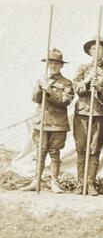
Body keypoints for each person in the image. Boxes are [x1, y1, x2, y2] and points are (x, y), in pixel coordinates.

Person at [22, 48, 74, 193]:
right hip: (41, 121)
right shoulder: (42, 80)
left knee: (54, 153)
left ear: (61, 65)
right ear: (47, 64)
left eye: (57, 63)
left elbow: (65, 100)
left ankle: (54, 182)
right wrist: (40, 87)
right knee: (40, 152)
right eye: (51, 63)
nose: (54, 66)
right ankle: (36, 181)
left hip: (57, 124)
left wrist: (50, 91)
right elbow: (35, 99)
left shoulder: (67, 83)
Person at [73, 36, 103, 196]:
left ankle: (90, 183)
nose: (97, 51)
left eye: (100, 48)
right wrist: (87, 81)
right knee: (81, 148)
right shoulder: (83, 68)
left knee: (94, 149)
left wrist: (98, 87)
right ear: (90, 51)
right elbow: (76, 87)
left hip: (99, 114)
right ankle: (80, 183)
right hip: (83, 112)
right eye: (93, 48)